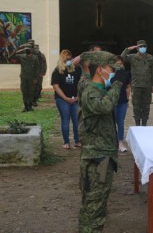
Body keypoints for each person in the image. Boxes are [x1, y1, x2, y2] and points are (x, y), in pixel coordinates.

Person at [78, 51, 124, 232]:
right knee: (94, 206)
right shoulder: (91, 92)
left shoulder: (98, 89)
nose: (113, 73)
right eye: (111, 69)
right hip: (97, 159)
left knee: (96, 203)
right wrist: (117, 85)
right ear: (99, 69)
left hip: (103, 157)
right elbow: (103, 107)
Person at [121, 40, 153, 126]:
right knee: (136, 105)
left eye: (144, 46)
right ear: (137, 48)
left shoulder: (150, 57)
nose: (143, 48)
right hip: (136, 85)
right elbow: (122, 57)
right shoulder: (132, 57)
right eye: (140, 46)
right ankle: (137, 123)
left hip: (147, 85)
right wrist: (129, 49)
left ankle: (144, 123)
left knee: (146, 106)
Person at [51, 49, 82, 149]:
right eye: (66, 59)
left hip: (75, 99)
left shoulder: (76, 70)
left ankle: (77, 141)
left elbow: (81, 84)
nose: (68, 61)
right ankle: (66, 142)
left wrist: (78, 96)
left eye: (70, 59)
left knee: (76, 121)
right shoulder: (57, 71)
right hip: (62, 100)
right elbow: (56, 87)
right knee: (65, 120)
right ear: (62, 59)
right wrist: (65, 98)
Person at [9, 42, 39, 112]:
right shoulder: (22, 56)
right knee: (24, 92)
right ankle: (26, 107)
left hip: (32, 78)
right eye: (26, 49)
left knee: (31, 93)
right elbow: (10, 57)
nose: (27, 50)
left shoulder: (35, 58)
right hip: (24, 77)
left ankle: (30, 106)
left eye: (28, 48)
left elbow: (37, 69)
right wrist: (18, 48)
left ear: (31, 49)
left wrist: (36, 79)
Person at [113, 56, 131, 152]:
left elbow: (128, 87)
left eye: (121, 63)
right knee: (112, 123)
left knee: (120, 122)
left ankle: (120, 142)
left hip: (123, 101)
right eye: (117, 63)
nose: (119, 65)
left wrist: (128, 99)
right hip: (112, 102)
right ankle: (112, 143)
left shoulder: (126, 74)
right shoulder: (110, 74)